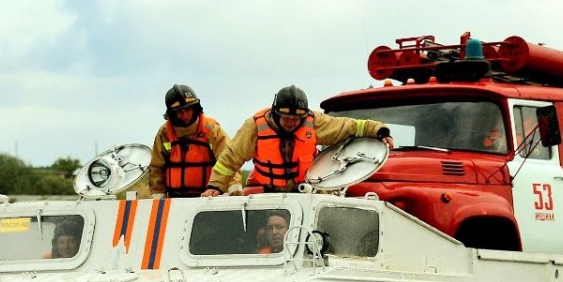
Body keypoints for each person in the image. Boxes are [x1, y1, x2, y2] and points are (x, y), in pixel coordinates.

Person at [201, 85, 394, 195]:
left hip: (309, 191)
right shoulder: (255, 126)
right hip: (270, 193)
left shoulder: (314, 121)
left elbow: (349, 126)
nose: (292, 122)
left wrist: (379, 130)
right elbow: (230, 159)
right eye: (287, 118)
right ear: (275, 113)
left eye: (296, 119)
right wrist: (214, 186)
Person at [149, 84, 235, 198]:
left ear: (196, 108)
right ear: (171, 114)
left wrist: (234, 189)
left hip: (208, 200)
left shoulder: (211, 130)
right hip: (174, 201)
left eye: (188, 109)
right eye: (179, 111)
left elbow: (229, 160)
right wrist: (158, 199)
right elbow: (156, 168)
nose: (184, 114)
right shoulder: (164, 133)